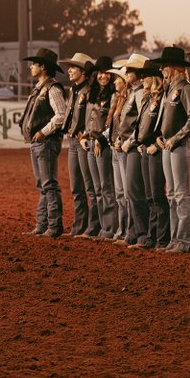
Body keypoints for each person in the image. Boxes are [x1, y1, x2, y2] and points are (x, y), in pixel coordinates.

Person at [153, 46, 190, 253]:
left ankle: (187, 239)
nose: (162, 70)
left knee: (180, 193)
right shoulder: (170, 89)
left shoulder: (184, 88)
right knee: (172, 193)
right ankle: (176, 238)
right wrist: (160, 136)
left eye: (164, 66)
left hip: (179, 145)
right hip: (169, 144)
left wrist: (176, 137)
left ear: (173, 68)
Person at [21, 48, 67, 238]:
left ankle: (53, 225)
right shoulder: (42, 88)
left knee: (48, 184)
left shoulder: (52, 88)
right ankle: (43, 224)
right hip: (40, 142)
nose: (31, 67)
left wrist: (43, 131)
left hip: (46, 141)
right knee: (43, 184)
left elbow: (61, 115)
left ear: (43, 67)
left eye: (35, 64)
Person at [58, 52, 97, 238]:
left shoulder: (89, 91)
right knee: (76, 187)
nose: (70, 70)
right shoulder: (74, 90)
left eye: (73, 68)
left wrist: (83, 134)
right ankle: (79, 226)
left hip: (83, 140)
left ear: (83, 71)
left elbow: (91, 117)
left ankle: (92, 226)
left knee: (89, 186)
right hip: (73, 140)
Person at [133, 62, 171, 251]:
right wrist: (140, 143)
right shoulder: (147, 99)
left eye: (145, 76)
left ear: (153, 78)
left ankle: (162, 238)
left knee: (157, 195)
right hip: (145, 150)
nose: (142, 79)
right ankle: (152, 236)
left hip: (155, 150)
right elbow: (141, 125)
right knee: (149, 195)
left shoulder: (162, 98)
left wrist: (157, 144)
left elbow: (165, 123)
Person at [109, 60, 144, 245]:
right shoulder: (132, 93)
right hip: (124, 144)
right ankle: (131, 232)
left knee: (132, 192)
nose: (126, 73)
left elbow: (140, 121)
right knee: (128, 192)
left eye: (130, 70)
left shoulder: (137, 94)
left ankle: (135, 232)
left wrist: (128, 141)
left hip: (130, 147)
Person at [84, 57, 119, 241]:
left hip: (102, 144)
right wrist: (84, 136)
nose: (104, 76)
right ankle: (102, 227)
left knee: (106, 188)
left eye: (107, 73)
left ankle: (110, 228)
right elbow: (88, 119)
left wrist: (100, 139)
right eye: (101, 73)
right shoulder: (93, 93)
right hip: (90, 142)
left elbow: (111, 122)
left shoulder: (113, 95)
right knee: (97, 188)